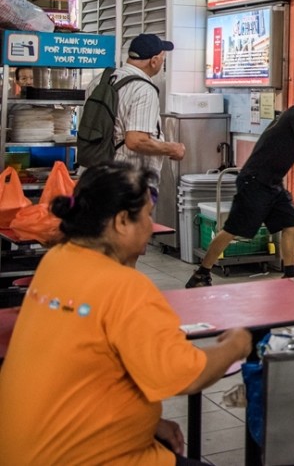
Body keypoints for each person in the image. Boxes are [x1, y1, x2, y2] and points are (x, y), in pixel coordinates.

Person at [0, 162, 251, 465]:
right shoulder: (124, 288)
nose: (150, 226)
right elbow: (186, 375)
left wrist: (149, 425)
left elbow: (84, 371)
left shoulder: (56, 261)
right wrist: (237, 343)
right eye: (146, 215)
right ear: (121, 222)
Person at [186, 81, 294, 287]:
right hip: (256, 181)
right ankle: (202, 273)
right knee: (233, 229)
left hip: (272, 183)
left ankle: (290, 273)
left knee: (290, 223)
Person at [93, 33, 185, 186]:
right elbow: (136, 141)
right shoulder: (144, 89)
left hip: (98, 173)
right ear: (154, 61)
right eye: (163, 57)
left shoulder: (101, 81)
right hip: (130, 180)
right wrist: (172, 148)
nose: (163, 62)